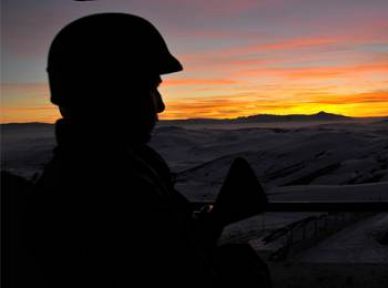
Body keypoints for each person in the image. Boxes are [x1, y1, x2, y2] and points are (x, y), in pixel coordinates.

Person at [25, 13, 269, 288]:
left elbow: (168, 244)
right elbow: (166, 269)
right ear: (111, 92)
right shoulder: (101, 188)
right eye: (151, 88)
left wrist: (216, 219)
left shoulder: (126, 165)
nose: (161, 105)